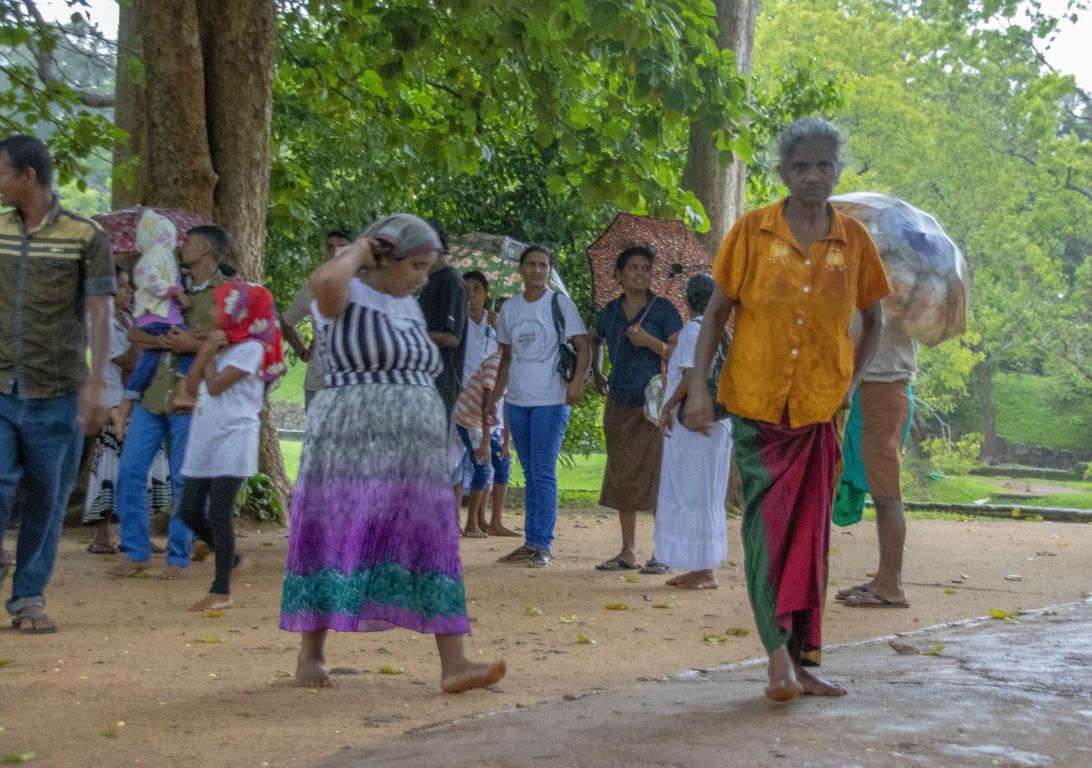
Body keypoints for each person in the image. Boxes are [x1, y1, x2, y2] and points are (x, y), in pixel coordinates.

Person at [682, 117, 890, 701]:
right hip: (757, 407)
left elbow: (874, 318)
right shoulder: (752, 231)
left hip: (822, 410)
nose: (813, 176)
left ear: (837, 171)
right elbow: (717, 314)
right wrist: (700, 387)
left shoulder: (853, 242)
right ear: (782, 172)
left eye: (824, 165)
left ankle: (803, 662)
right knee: (767, 533)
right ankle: (777, 656)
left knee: (808, 540)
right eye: (801, 166)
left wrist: (852, 378)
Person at [279, 214, 505, 693]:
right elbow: (323, 280)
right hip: (347, 440)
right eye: (417, 266)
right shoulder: (345, 294)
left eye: (429, 267)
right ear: (385, 256)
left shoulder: (408, 305)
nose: (424, 277)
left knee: (433, 538)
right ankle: (311, 653)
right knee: (332, 536)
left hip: (412, 448)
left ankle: (455, 663)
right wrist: (361, 248)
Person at [0, 134, 114, 633]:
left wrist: (95, 384)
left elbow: (101, 312)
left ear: (28, 176)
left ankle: (27, 599)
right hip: (1, 386)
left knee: (46, 502)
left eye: (1, 172)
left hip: (58, 393)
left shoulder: (86, 236)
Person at [108, 225, 231, 580]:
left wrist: (193, 343)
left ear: (206, 247)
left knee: (182, 480)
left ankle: (178, 557)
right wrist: (168, 343)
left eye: (190, 242)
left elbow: (232, 337)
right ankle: (136, 551)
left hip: (190, 399)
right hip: (152, 394)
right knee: (130, 471)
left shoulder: (226, 292)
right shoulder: (166, 277)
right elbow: (134, 331)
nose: (183, 246)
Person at [180, 281, 285, 611]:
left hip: (234, 437)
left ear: (237, 311)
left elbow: (214, 386)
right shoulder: (223, 346)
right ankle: (235, 559)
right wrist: (206, 352)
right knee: (189, 510)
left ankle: (221, 589)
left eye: (217, 306)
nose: (212, 311)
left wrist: (208, 352)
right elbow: (192, 383)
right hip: (206, 435)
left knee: (219, 513)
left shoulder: (251, 349)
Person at [492, 246, 590, 568]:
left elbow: (583, 346)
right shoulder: (509, 309)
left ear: (549, 271)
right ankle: (530, 542)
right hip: (518, 400)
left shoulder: (559, 303)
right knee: (530, 472)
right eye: (531, 264)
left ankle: (542, 544)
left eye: (543, 265)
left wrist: (576, 383)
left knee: (544, 471)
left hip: (551, 398)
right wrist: (497, 395)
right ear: (521, 269)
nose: (537, 270)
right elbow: (507, 356)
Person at [592, 245, 682, 573]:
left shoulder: (664, 309)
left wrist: (651, 342)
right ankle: (627, 551)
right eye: (633, 267)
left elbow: (679, 351)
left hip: (654, 407)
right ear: (618, 274)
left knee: (658, 477)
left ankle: (662, 553)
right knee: (622, 476)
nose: (640, 273)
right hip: (619, 400)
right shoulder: (611, 311)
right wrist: (598, 372)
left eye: (646, 268)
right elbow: (595, 340)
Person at [82, 266, 173, 554]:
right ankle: (101, 535)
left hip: (136, 398)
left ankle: (137, 534)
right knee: (111, 462)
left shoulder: (130, 317)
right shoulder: (101, 320)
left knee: (140, 466)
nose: (129, 292)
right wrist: (141, 336)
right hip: (113, 399)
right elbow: (125, 361)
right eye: (123, 287)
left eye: (130, 287)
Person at [654, 275, 732, 590]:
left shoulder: (692, 331)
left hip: (693, 424)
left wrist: (666, 407)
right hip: (720, 423)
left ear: (687, 301)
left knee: (690, 492)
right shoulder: (723, 333)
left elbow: (690, 375)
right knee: (707, 495)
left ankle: (703, 570)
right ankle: (703, 564)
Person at [834, 322, 916, 608]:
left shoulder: (899, 292)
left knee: (886, 493)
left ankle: (892, 584)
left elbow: (866, 327)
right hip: (872, 391)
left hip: (884, 390)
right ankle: (884, 578)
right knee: (881, 493)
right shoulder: (889, 287)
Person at [456, 270, 515, 538]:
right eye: (466, 288)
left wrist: (498, 326)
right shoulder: (457, 323)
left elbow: (507, 356)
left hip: (493, 393)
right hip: (466, 398)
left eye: (477, 288)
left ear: (486, 293)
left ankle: (489, 519)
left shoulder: (496, 324)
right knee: (459, 459)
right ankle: (459, 520)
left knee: (496, 456)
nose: (472, 294)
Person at [119, 209, 194, 418]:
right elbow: (150, 280)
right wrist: (175, 293)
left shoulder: (160, 257)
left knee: (147, 362)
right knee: (190, 344)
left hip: (152, 318)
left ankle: (127, 401)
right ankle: (183, 389)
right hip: (161, 317)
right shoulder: (157, 255)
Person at [280, 229, 353, 411]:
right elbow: (286, 323)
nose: (335, 253)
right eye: (330, 248)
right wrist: (303, 352)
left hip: (354, 386)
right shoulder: (311, 289)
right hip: (318, 385)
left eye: (342, 248)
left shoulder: (367, 289)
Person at [452, 349, 515, 538]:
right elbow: (486, 407)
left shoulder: (517, 369)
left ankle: (495, 523)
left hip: (484, 423)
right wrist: (486, 442)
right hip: (469, 419)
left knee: (503, 463)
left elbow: (508, 405)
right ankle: (471, 523)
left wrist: (506, 441)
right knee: (483, 466)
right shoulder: (494, 364)